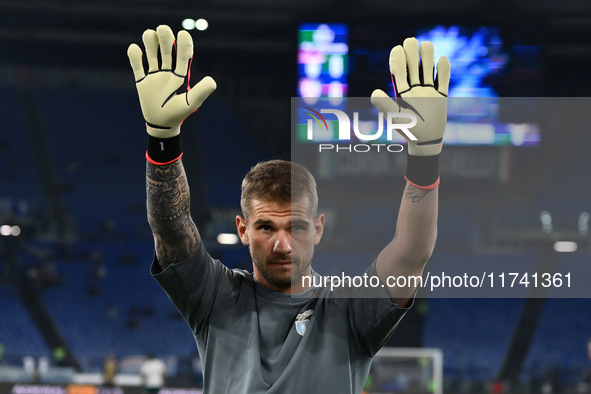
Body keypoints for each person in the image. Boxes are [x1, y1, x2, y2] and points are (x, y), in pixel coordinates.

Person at [127, 25, 449, 393]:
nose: (283, 244)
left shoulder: (349, 310)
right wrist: (162, 139)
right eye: (266, 227)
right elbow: (170, 227)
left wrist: (425, 157)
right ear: (242, 229)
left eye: (296, 227)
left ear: (318, 228)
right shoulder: (215, 296)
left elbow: (412, 251)